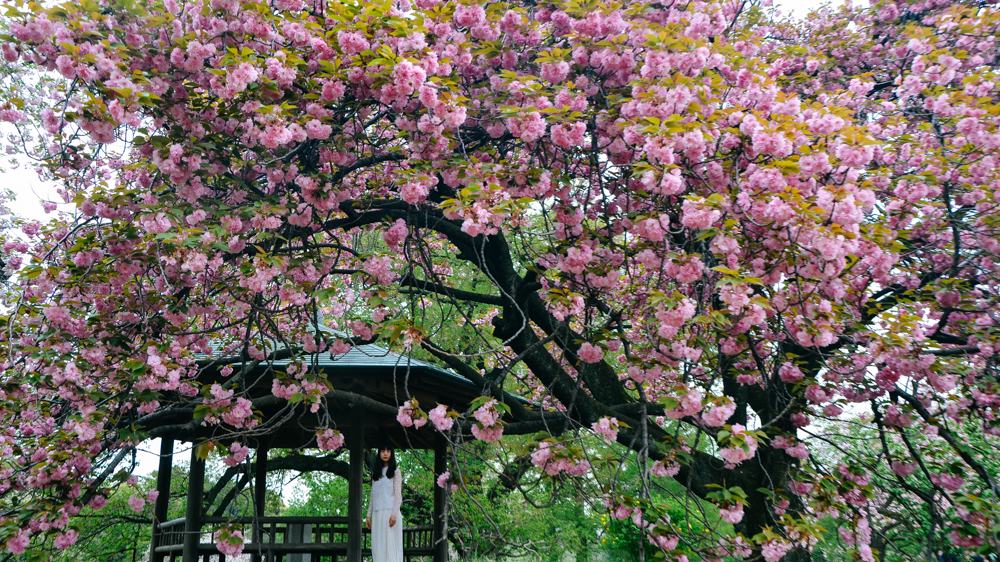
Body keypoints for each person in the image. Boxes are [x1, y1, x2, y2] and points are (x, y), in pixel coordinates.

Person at [366, 445, 403, 562]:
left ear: (392, 453)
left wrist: (394, 514)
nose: (385, 453)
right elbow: (373, 495)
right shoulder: (376, 473)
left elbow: (398, 495)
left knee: (392, 547)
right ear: (379, 453)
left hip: (390, 513)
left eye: (388, 451)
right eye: (383, 451)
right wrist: (368, 515)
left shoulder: (396, 472)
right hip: (377, 514)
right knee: (379, 546)